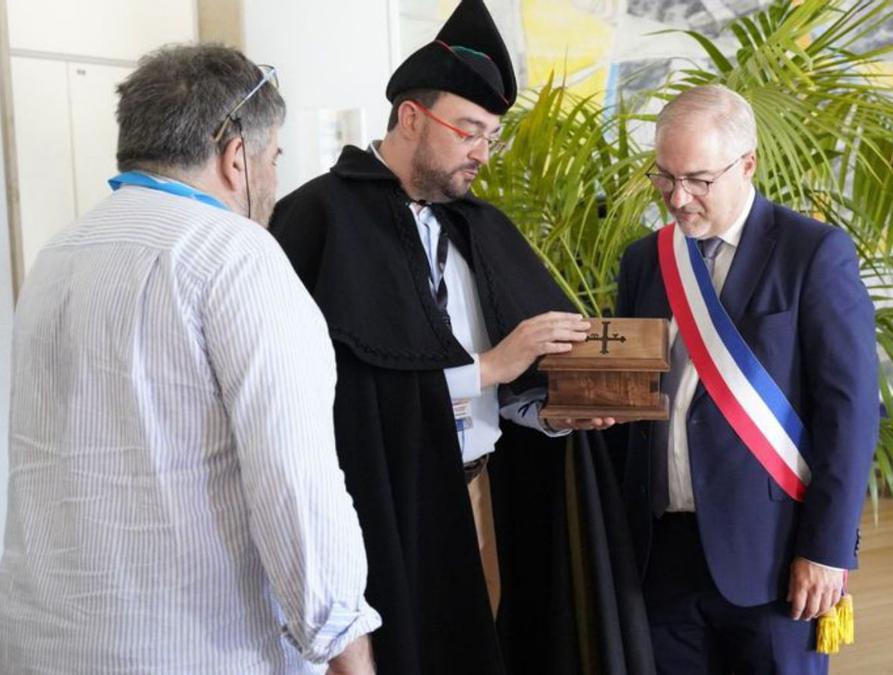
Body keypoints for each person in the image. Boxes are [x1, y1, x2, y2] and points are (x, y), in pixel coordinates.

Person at [0, 45, 379, 674]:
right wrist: (348, 656)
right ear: (236, 157)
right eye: (273, 158)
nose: (274, 179)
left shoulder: (58, 254)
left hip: (43, 643)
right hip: (196, 650)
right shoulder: (237, 256)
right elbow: (297, 489)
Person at [269, 1, 611, 672]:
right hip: (379, 513)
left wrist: (548, 408)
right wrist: (486, 367)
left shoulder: (479, 227)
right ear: (410, 118)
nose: (483, 152)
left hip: (478, 499)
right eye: (470, 131)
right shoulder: (315, 219)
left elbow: (508, 388)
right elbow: (325, 393)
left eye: (492, 136)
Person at [614, 84, 879, 674]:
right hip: (660, 552)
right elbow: (630, 396)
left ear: (747, 164)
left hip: (774, 554)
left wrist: (827, 548)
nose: (678, 198)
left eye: (698, 180)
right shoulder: (645, 260)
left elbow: (851, 412)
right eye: (664, 177)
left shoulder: (813, 253)